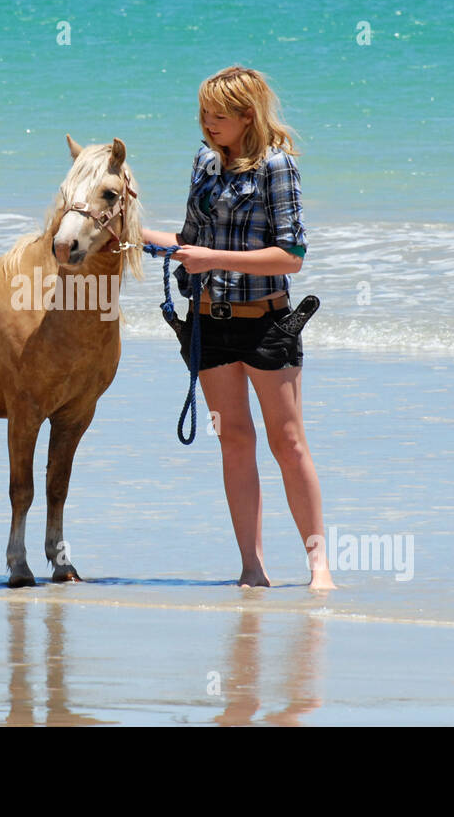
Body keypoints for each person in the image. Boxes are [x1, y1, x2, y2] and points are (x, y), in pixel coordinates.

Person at [141, 65, 334, 590]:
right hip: (209, 324)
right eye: (203, 114)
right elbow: (188, 238)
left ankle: (320, 568)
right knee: (234, 442)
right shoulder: (204, 162)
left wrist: (212, 256)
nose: (207, 124)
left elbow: (291, 256)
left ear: (248, 115)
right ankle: (252, 569)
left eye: (219, 115)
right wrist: (137, 233)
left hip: (268, 323)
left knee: (288, 444)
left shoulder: (278, 165)